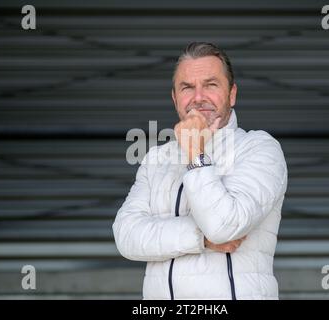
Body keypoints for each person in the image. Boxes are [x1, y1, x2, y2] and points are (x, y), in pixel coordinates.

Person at [113, 42, 288, 300]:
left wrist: (195, 153)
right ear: (175, 98)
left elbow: (223, 227)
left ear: (232, 94)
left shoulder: (259, 148)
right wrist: (201, 239)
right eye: (187, 87)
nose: (198, 97)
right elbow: (126, 235)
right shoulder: (156, 159)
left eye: (211, 85)